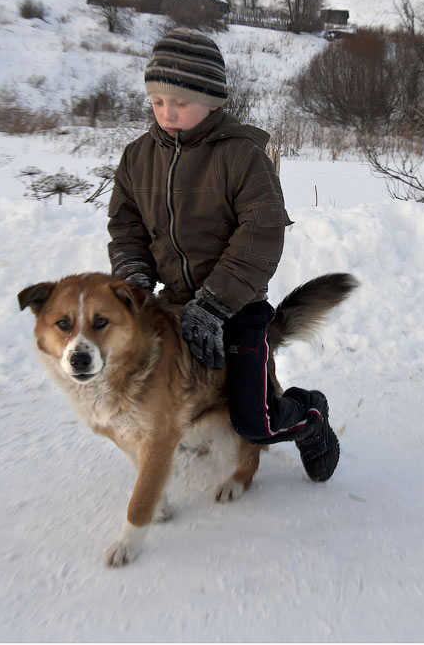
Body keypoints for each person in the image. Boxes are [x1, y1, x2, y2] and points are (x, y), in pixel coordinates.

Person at [107, 27, 339, 482]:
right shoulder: (138, 157)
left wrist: (216, 303)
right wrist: (132, 278)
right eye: (157, 101)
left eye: (180, 102)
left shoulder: (241, 155)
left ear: (213, 101)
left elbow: (262, 232)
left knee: (255, 420)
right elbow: (126, 224)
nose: (167, 113)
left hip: (238, 308)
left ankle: (310, 417)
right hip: (171, 304)